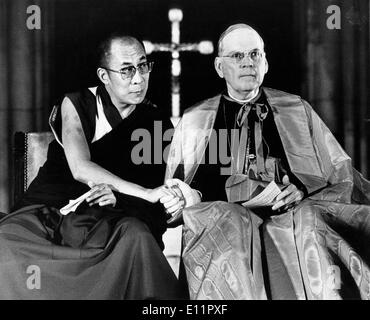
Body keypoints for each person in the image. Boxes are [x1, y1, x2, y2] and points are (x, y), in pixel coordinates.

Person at [163, 24, 370, 300]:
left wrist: (300, 189)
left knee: (311, 218)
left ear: (266, 62)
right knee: (230, 222)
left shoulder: (297, 109)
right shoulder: (195, 119)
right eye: (237, 56)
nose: (248, 62)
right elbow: (184, 188)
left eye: (254, 54)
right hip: (229, 214)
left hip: (291, 211)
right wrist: (188, 195)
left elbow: (338, 174)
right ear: (219, 66)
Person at [0, 33, 183, 299]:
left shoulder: (154, 121)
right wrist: (145, 192)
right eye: (126, 70)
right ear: (103, 75)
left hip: (111, 220)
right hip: (51, 213)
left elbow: (156, 196)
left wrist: (122, 198)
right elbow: (80, 168)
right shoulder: (77, 104)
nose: (138, 79)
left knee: (138, 239)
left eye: (143, 66)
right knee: (6, 248)